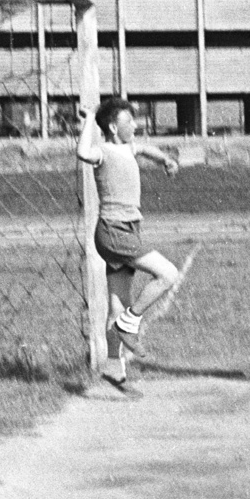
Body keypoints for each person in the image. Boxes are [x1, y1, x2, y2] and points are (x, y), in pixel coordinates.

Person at [76, 97, 181, 391]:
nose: (135, 125)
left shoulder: (128, 148)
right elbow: (83, 151)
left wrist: (165, 160)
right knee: (168, 274)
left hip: (128, 231)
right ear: (112, 127)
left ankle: (114, 367)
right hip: (113, 232)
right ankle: (130, 323)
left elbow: (146, 148)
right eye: (128, 122)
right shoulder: (104, 151)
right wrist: (89, 118)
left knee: (116, 306)